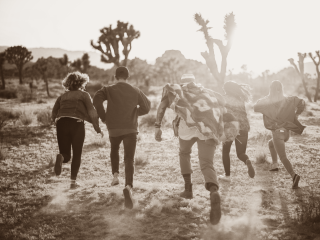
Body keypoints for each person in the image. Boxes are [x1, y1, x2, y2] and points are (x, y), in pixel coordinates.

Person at [154, 74, 239, 225]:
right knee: (206, 163)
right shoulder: (207, 93)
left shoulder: (177, 91)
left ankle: (188, 189)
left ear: (182, 82)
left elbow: (162, 107)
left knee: (184, 153)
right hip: (207, 129)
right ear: (195, 82)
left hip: (186, 130)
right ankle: (213, 190)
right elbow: (222, 107)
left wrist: (157, 126)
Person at [93, 66, 151, 209]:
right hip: (130, 128)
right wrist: (135, 112)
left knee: (114, 149)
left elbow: (96, 100)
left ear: (115, 76)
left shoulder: (108, 89)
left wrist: (104, 117)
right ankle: (128, 187)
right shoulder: (135, 90)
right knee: (129, 158)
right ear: (127, 77)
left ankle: (115, 176)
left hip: (114, 128)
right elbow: (147, 106)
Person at [52, 71, 103, 189]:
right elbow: (92, 111)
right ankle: (73, 183)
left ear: (68, 83)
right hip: (76, 123)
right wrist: (97, 128)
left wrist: (54, 120)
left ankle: (61, 157)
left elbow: (54, 111)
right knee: (77, 155)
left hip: (61, 123)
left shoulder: (62, 96)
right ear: (81, 83)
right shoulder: (84, 95)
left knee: (66, 154)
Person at [254, 80, 305, 189]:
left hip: (277, 133)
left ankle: (294, 175)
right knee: (271, 144)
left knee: (283, 156)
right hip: (286, 133)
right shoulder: (288, 99)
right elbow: (302, 102)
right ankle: (275, 165)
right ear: (281, 88)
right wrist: (296, 115)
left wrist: (266, 99)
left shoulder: (267, 100)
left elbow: (256, 107)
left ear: (270, 89)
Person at [219, 81, 255, 182]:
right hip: (243, 127)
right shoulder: (240, 99)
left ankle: (227, 176)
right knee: (241, 153)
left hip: (230, 128)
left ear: (226, 89)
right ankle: (247, 160)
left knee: (226, 151)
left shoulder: (224, 98)